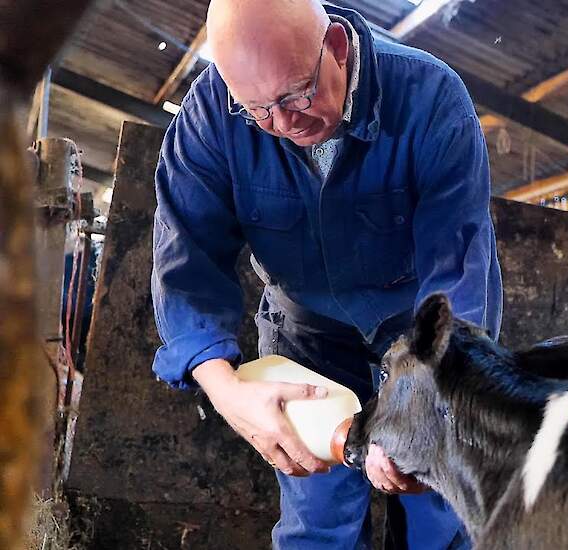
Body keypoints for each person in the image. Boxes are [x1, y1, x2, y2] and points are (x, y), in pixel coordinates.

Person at [151, 0, 502, 547]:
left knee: (435, 503)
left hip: (417, 328)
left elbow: (456, 271)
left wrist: (425, 400)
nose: (284, 124)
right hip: (304, 330)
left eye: (296, 95)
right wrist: (226, 392)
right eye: (257, 111)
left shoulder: (431, 97)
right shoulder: (209, 114)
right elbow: (186, 260)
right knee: (317, 521)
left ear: (337, 47)